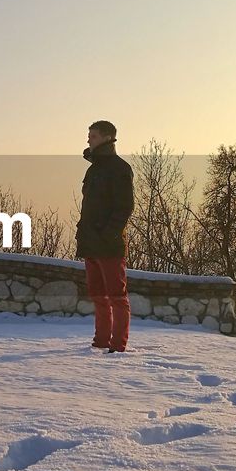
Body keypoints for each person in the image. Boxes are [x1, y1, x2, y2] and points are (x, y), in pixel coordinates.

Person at [75, 120, 135, 353]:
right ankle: (101, 340)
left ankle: (118, 345)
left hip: (109, 244)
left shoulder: (119, 168)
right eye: (89, 135)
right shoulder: (93, 169)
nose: (89, 139)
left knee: (117, 297)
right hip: (90, 242)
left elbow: (124, 207)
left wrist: (108, 235)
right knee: (98, 295)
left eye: (93, 135)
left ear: (107, 138)